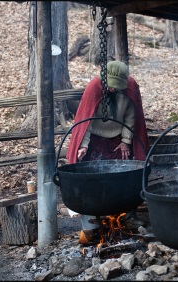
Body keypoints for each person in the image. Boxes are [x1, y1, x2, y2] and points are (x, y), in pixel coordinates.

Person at [66, 60, 150, 244]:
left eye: (117, 87)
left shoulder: (130, 89)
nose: (113, 90)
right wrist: (84, 145)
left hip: (117, 139)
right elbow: (85, 121)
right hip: (95, 138)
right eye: (111, 86)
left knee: (123, 176)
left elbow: (130, 118)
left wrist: (126, 141)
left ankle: (125, 214)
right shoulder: (94, 88)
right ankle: (97, 215)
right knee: (95, 177)